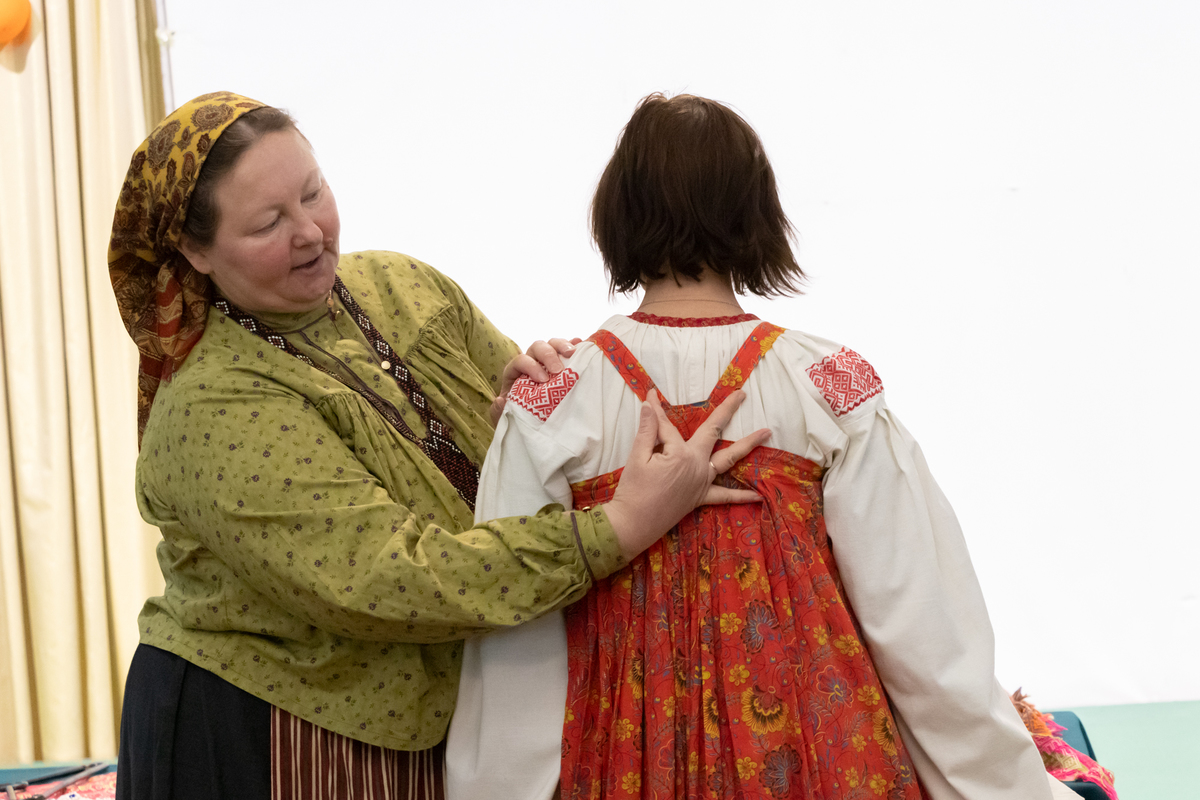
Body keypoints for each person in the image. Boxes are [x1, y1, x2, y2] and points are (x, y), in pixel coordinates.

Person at [107, 91, 766, 800]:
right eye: (269, 223)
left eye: (313, 192)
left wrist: (520, 412)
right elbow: (384, 578)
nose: (310, 232)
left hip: (431, 713)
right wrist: (620, 526)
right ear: (195, 251)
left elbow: (513, 447)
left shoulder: (402, 285)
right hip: (269, 727)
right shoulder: (213, 406)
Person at [446, 94, 1079, 800]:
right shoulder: (828, 385)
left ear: (615, 215)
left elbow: (515, 648)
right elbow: (922, 629)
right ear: (758, 214)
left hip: (628, 761)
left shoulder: (553, 399)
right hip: (820, 760)